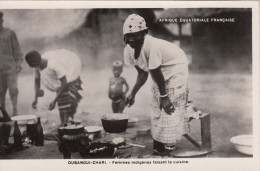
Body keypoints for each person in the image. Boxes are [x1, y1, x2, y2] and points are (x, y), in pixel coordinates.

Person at [123, 14, 190, 155]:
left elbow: (155, 71)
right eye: (127, 36)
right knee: (155, 102)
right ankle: (159, 143)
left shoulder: (152, 46)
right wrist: (132, 93)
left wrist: (165, 96)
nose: (131, 39)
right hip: (158, 69)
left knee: (168, 104)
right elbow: (143, 73)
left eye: (134, 35)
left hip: (176, 66)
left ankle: (169, 142)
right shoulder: (129, 49)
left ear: (144, 33)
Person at [25, 49, 82, 126]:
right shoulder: (36, 66)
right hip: (60, 81)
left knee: (65, 99)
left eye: (33, 65)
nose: (33, 68)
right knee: (61, 98)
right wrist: (35, 98)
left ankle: (65, 123)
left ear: (38, 61)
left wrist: (54, 100)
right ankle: (64, 124)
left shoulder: (54, 64)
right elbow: (37, 80)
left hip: (70, 74)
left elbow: (64, 82)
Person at [0, 11, 23, 117]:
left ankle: (15, 111)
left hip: (10, 67)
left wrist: (19, 63)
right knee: (0, 91)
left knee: (13, 89)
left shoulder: (10, 33)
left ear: (2, 20)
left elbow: (17, 50)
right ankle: (3, 113)